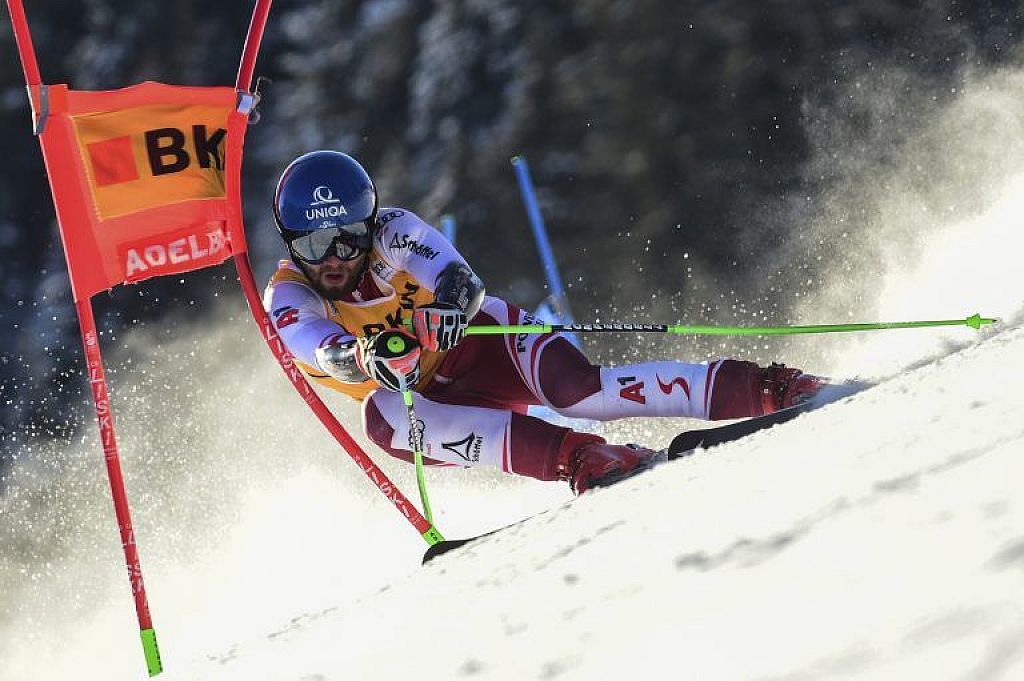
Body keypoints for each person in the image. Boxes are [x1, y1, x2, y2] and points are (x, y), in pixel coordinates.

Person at [263, 151, 824, 494]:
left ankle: (763, 386)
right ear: (290, 243)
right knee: (380, 418)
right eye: (313, 243)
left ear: (368, 225)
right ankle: (579, 457)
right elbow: (316, 347)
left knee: (580, 392)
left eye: (346, 238)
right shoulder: (288, 293)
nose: (332, 257)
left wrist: (446, 312)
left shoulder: (393, 231)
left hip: (483, 345)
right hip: (425, 404)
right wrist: (367, 357)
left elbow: (461, 280)